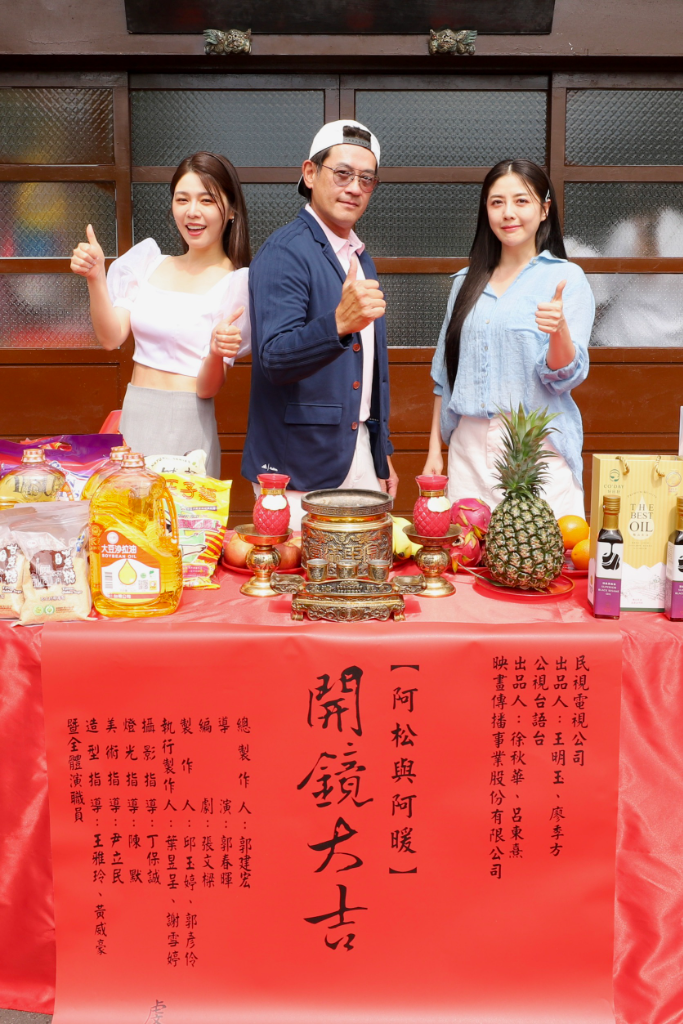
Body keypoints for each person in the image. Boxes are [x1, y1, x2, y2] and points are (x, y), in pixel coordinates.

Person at [241, 119, 397, 528]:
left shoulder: (359, 256)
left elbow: (369, 372)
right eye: (342, 173)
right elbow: (274, 359)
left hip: (357, 453)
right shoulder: (285, 251)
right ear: (310, 173)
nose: (354, 188)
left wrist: (380, 452)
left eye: (366, 179)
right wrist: (337, 324)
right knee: (302, 570)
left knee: (365, 567)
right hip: (297, 468)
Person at [423, 158, 595, 518]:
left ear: (544, 209)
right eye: (497, 202)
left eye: (521, 201)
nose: (508, 213)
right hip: (467, 451)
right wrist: (434, 452)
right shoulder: (464, 282)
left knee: (543, 552)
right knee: (468, 549)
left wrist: (559, 330)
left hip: (534, 450)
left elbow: (564, 375)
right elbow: (444, 375)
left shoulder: (566, 278)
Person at [70, 151, 251, 479]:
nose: (192, 211)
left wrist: (215, 351)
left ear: (231, 210)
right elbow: (111, 337)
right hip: (135, 414)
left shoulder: (236, 284)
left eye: (207, 200)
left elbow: (208, 389)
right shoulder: (148, 263)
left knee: (183, 513)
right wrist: (96, 276)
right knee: (126, 510)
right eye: (182, 199)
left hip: (188, 424)